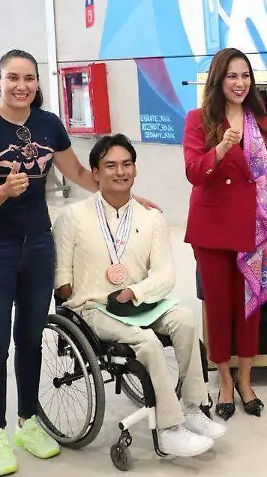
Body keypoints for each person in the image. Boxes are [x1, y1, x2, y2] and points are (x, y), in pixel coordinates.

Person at [0, 49, 160, 475]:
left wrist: (129, 197)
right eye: (13, 78)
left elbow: (83, 175)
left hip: (38, 244)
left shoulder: (48, 124)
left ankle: (28, 421)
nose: (22, 86)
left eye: (29, 78)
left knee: (31, 338)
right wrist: (3, 192)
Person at [54, 134, 227, 457]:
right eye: (110, 166)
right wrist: (87, 287)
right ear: (95, 173)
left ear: (135, 170)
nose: (120, 172)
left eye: (127, 164)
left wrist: (134, 291)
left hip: (138, 302)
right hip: (94, 307)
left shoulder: (151, 217)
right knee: (146, 342)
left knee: (185, 319)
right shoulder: (73, 217)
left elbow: (165, 276)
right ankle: (169, 428)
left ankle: (194, 407)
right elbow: (62, 282)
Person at [182, 47, 267, 420]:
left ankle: (246, 381)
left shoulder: (262, 122)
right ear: (218, 80)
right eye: (232, 76)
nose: (240, 83)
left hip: (254, 230)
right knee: (219, 310)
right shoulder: (199, 119)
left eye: (246, 76)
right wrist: (221, 148)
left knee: (250, 308)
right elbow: (193, 172)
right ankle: (224, 381)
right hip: (213, 230)